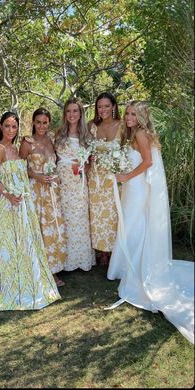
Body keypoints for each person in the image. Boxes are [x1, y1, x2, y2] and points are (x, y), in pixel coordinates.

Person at [106, 101, 194, 344]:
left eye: (134, 113)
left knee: (134, 224)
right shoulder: (133, 133)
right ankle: (126, 264)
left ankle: (131, 268)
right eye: (127, 113)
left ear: (142, 117)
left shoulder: (142, 134)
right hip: (133, 186)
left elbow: (148, 163)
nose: (129, 117)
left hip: (137, 186)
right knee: (132, 223)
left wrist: (125, 175)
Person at [0, 111, 61, 310]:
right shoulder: (0, 149)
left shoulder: (14, 147)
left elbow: (22, 172)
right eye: (7, 126)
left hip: (22, 202)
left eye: (14, 126)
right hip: (6, 203)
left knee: (23, 242)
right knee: (7, 244)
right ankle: (5, 286)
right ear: (0, 127)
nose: (11, 130)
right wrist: (7, 194)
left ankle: (26, 281)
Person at [19, 107, 67, 287]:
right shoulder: (27, 142)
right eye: (38, 122)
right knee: (38, 229)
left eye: (45, 122)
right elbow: (19, 167)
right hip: (35, 190)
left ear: (49, 123)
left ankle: (53, 270)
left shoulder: (52, 139)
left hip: (52, 191)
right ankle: (37, 270)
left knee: (53, 229)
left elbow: (58, 161)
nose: (41, 125)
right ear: (33, 123)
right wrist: (37, 176)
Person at [55, 97, 96, 271]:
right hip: (61, 183)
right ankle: (65, 261)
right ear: (65, 114)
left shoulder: (87, 136)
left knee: (78, 219)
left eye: (75, 111)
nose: (72, 114)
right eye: (69, 111)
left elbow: (88, 165)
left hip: (78, 183)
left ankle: (81, 260)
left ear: (81, 113)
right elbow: (51, 156)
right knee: (64, 219)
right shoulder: (57, 134)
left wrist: (82, 166)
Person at [88, 92, 121, 266]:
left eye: (106, 106)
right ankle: (101, 252)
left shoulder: (123, 126)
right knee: (97, 215)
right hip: (95, 179)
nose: (103, 110)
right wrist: (88, 157)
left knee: (113, 214)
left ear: (113, 106)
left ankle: (114, 250)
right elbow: (83, 148)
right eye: (100, 106)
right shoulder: (92, 126)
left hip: (114, 177)